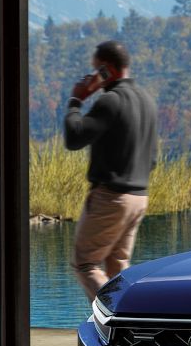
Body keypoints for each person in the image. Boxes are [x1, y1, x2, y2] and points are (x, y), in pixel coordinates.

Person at [64, 40, 158, 300]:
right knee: (118, 267)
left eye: (96, 70)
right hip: (139, 198)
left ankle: (115, 320)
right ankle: (124, 330)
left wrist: (76, 100)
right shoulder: (147, 101)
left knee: (85, 264)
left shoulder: (111, 101)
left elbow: (74, 138)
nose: (94, 76)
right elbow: (152, 160)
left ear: (106, 69)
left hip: (111, 198)